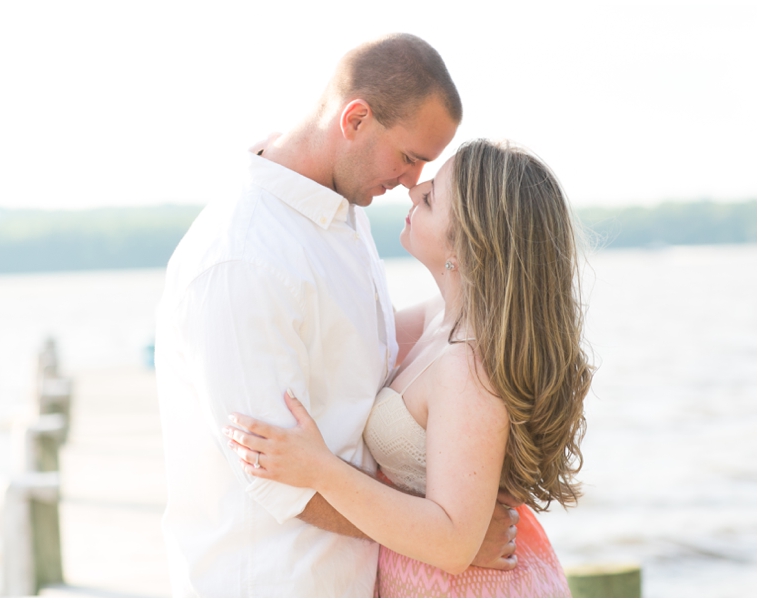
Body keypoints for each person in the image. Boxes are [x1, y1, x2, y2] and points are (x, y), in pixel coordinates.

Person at [154, 34, 518, 597]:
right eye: (408, 157)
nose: (411, 182)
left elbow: (369, 367)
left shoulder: (343, 209)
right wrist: (452, 542)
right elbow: (280, 481)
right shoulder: (242, 260)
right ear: (355, 119)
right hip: (274, 583)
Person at [225, 139, 593, 597]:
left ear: (470, 243)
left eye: (432, 195)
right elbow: (335, 346)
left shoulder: (467, 366)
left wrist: (319, 468)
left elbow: (455, 541)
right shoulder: (436, 319)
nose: (413, 191)